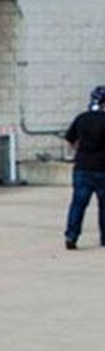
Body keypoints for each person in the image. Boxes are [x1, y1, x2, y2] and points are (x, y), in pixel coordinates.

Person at [64, 86, 105, 249]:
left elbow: (70, 139)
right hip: (103, 168)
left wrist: (80, 150)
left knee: (78, 204)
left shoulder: (81, 118)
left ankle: (71, 236)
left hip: (82, 167)